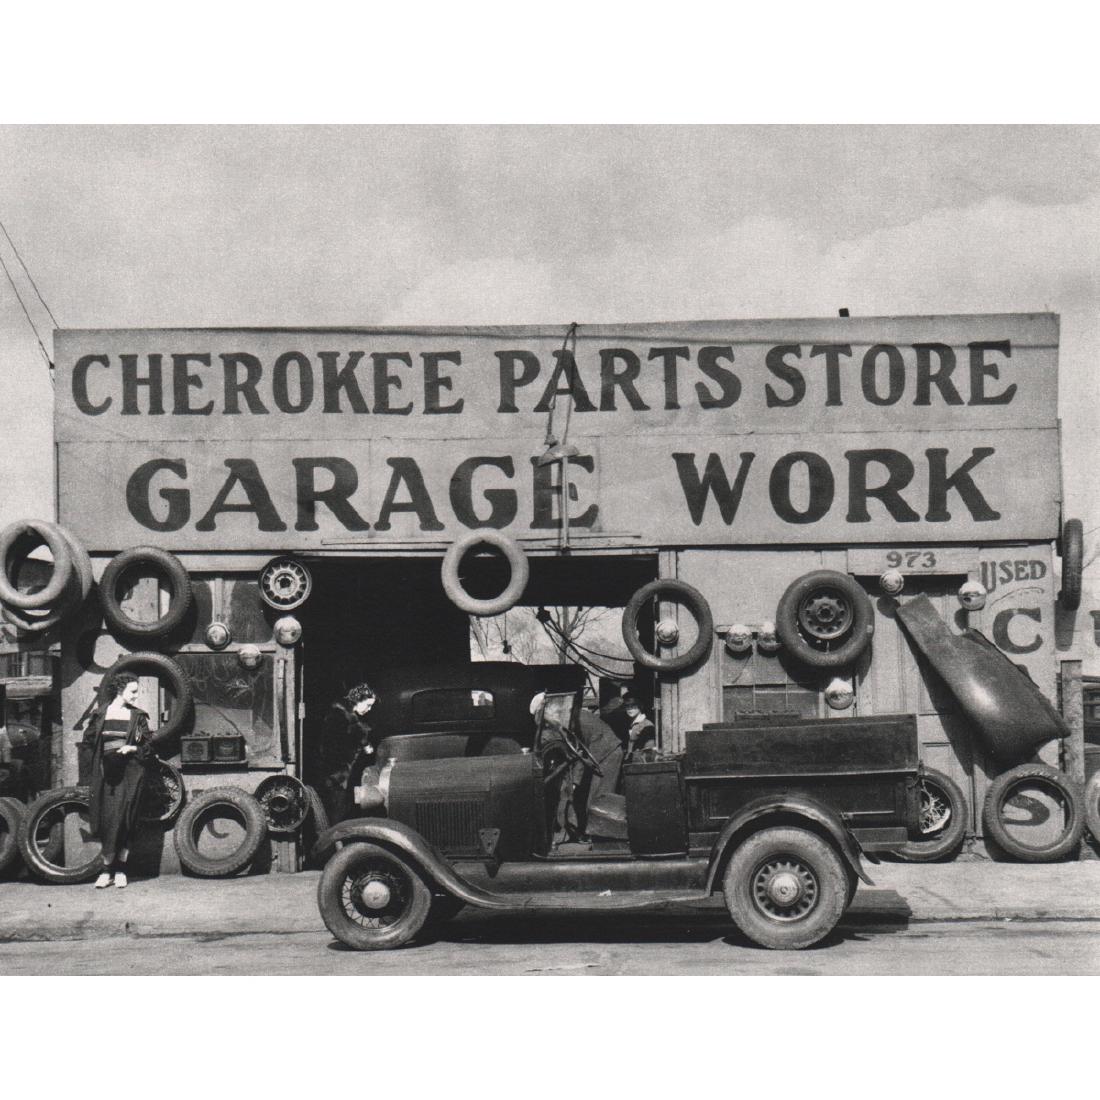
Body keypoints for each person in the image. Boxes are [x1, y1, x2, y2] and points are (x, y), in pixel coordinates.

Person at [84, 674, 157, 889]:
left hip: (132, 772)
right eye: (133, 691)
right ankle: (107, 870)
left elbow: (148, 746)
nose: (136, 696)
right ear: (120, 690)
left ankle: (121, 870)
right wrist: (97, 766)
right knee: (108, 820)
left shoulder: (138, 717)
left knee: (127, 818)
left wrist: (132, 748)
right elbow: (88, 743)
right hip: (107, 773)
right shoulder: (100, 714)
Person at [532, 691, 623, 842]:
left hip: (608, 754)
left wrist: (574, 782)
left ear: (547, 711)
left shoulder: (571, 720)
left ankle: (603, 840)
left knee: (599, 799)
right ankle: (590, 835)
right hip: (598, 754)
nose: (546, 723)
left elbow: (579, 753)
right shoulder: (568, 717)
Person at [319, 683, 378, 822]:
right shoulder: (339, 717)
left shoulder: (350, 717)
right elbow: (331, 748)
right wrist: (363, 743)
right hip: (336, 775)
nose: (369, 709)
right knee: (338, 812)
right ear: (358, 699)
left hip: (344, 774)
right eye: (368, 705)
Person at [622, 695, 656, 761]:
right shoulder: (630, 725)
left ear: (640, 707)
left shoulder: (647, 725)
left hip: (639, 763)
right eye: (627, 706)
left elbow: (648, 751)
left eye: (633, 706)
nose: (630, 709)